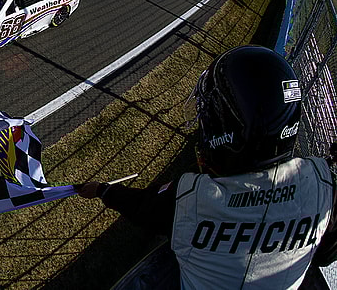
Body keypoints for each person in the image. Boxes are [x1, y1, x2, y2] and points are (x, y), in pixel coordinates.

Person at [78, 45, 337, 289]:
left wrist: (103, 191)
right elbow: (325, 255)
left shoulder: (191, 199)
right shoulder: (325, 185)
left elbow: (142, 206)